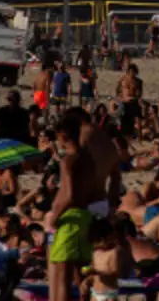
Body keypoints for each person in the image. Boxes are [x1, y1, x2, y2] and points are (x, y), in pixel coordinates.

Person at [48, 110, 98, 301]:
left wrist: (55, 216)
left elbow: (69, 195)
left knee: (63, 277)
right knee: (81, 276)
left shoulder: (68, 159)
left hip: (69, 219)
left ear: (62, 135)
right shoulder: (88, 159)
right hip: (85, 216)